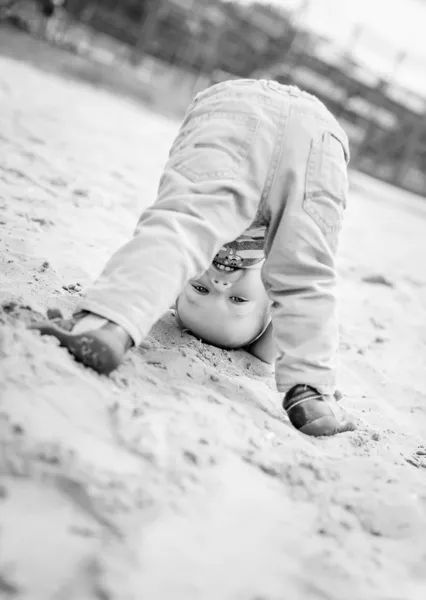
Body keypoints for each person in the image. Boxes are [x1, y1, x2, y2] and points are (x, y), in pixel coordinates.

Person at [31, 79, 355, 437]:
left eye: (197, 290)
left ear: (173, 295)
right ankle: (311, 392)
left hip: (252, 112)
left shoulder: (195, 276)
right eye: (237, 299)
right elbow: (298, 300)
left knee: (181, 231)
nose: (219, 282)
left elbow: (171, 257)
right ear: (267, 316)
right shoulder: (265, 338)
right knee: (301, 272)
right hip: (308, 132)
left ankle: (109, 325)